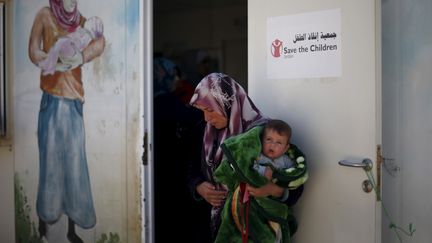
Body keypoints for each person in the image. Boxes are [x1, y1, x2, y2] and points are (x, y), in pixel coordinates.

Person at [188, 73, 306, 241]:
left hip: (254, 229)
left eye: (210, 110)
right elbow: (191, 167)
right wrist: (198, 186)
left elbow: (296, 182)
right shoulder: (204, 131)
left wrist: (272, 190)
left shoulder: (264, 133)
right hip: (213, 224)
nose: (207, 118)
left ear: (226, 103)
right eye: (202, 111)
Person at [28, 0, 105, 242]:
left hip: (73, 101)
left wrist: (79, 57)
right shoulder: (44, 14)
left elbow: (100, 42)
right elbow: (33, 51)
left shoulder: (80, 21)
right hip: (51, 100)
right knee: (50, 164)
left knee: (74, 167)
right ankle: (45, 228)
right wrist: (52, 60)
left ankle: (72, 230)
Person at [213, 119, 308, 243]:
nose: (272, 145)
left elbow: (295, 179)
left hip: (272, 206)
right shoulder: (256, 155)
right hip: (247, 204)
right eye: (268, 140)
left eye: (279, 142)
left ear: (286, 148)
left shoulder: (286, 161)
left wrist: (277, 184)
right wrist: (262, 172)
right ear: (261, 140)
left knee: (270, 235)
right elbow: (243, 167)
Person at [38, 16, 104, 75]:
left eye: (92, 22)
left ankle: (50, 65)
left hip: (73, 52)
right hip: (73, 54)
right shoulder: (84, 32)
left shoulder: (85, 35)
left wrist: (71, 39)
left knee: (60, 44)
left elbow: (78, 42)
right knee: (60, 46)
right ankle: (50, 65)